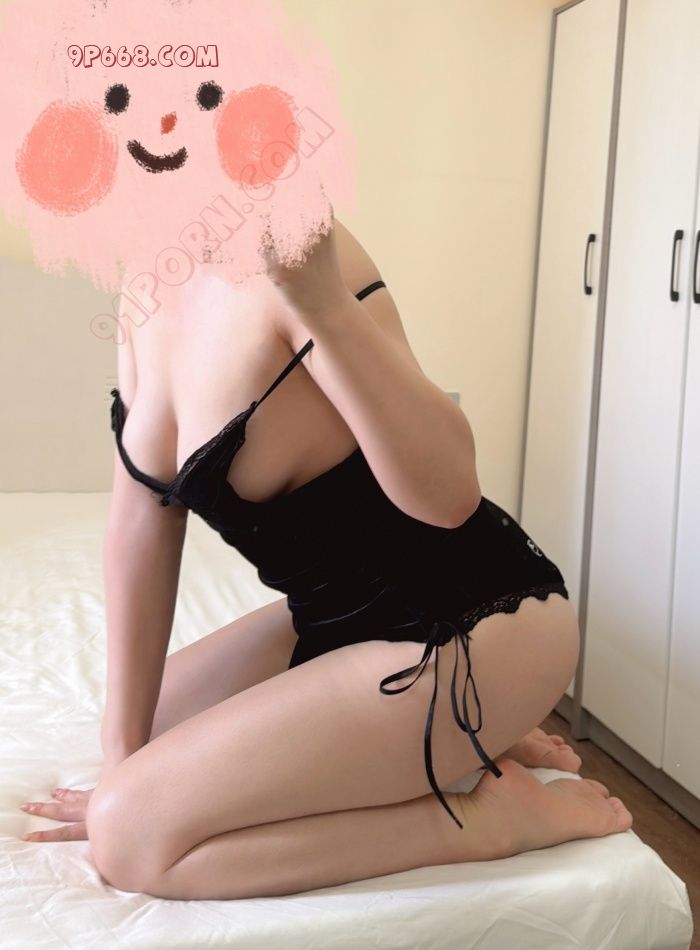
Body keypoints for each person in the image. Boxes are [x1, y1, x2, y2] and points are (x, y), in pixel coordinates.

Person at [18, 215, 632, 900]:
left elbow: (450, 499)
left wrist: (324, 306)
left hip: (468, 623)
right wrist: (123, 757)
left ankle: (486, 818)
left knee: (129, 838)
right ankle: (489, 733)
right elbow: (140, 523)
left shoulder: (302, 249)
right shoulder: (145, 280)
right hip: (328, 619)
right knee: (140, 744)